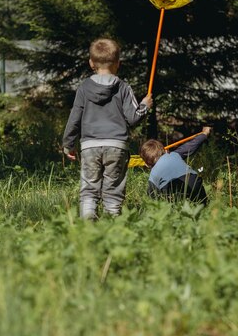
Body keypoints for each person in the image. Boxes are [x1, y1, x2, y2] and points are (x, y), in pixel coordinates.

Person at [62, 38, 153, 219]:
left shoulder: (84, 88)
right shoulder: (123, 87)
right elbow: (133, 118)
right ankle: (112, 222)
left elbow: (75, 118)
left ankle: (88, 220)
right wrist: (144, 105)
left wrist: (68, 143)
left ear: (91, 63)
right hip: (116, 145)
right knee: (113, 189)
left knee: (89, 187)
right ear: (118, 64)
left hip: (90, 145)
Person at [139, 127, 211, 205]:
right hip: (194, 181)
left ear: (147, 164)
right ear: (165, 150)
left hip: (174, 188)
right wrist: (204, 134)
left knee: (174, 204)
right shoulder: (174, 154)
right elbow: (190, 146)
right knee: (202, 206)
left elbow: (152, 196)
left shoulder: (153, 174)